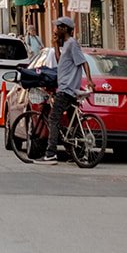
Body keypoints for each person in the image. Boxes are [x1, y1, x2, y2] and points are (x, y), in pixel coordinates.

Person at [41, 16, 90, 164]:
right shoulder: (67, 44)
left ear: (64, 29)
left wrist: (90, 80)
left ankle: (51, 153)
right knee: (72, 123)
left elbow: (83, 62)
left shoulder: (73, 44)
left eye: (57, 27)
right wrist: (56, 45)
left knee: (53, 118)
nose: (55, 30)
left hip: (67, 89)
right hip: (66, 88)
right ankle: (79, 153)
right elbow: (60, 59)